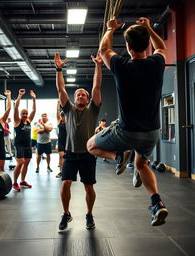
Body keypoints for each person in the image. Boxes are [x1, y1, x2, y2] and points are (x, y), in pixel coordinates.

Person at [87, 16, 168, 226]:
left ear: (128, 46)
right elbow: (161, 48)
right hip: (152, 132)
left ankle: (118, 155)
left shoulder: (122, 66)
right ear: (147, 43)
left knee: (90, 145)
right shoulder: (157, 63)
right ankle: (157, 203)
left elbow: (104, 50)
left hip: (127, 131)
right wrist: (149, 28)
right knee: (141, 164)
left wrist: (110, 29)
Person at [54, 52, 102, 230]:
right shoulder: (68, 110)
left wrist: (98, 65)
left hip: (88, 155)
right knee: (65, 182)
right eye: (78, 95)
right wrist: (59, 69)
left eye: (83, 95)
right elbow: (61, 90)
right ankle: (66, 214)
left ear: (88, 99)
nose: (81, 96)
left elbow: (96, 87)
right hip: (70, 154)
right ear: (74, 99)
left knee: (89, 187)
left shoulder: (93, 110)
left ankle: (89, 214)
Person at [12, 89, 36, 191]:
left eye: (26, 113)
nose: (25, 115)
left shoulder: (29, 121)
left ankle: (22, 181)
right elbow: (16, 107)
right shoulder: (17, 121)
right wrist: (19, 95)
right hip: (19, 145)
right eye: (23, 113)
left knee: (26, 162)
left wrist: (34, 99)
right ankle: (14, 183)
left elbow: (34, 111)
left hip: (27, 145)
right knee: (20, 162)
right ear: (20, 115)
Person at [56, 101, 67, 178]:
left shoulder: (69, 122)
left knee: (66, 157)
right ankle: (61, 171)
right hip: (60, 141)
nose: (63, 117)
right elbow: (57, 112)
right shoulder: (59, 121)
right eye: (62, 116)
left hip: (67, 142)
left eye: (64, 116)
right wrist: (58, 104)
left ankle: (66, 171)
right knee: (61, 156)